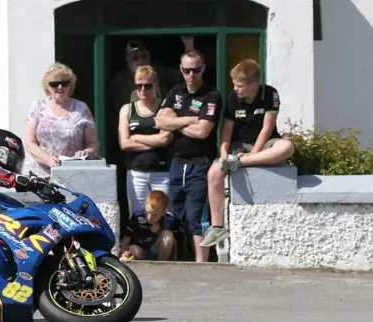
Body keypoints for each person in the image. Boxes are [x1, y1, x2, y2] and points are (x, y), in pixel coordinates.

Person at [201, 59, 295, 248]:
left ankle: (239, 163)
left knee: (287, 147)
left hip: (263, 144)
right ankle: (217, 227)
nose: (235, 88)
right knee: (213, 174)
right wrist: (223, 153)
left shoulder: (270, 94)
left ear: (253, 85)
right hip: (238, 145)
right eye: (234, 84)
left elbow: (266, 129)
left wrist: (249, 158)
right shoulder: (232, 98)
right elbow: (226, 130)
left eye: (239, 85)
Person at [154, 49, 222, 263]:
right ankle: (181, 259)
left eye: (196, 69)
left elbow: (203, 132)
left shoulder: (211, 95)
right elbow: (159, 122)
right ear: (180, 70)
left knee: (197, 216)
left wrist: (176, 121)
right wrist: (189, 120)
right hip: (176, 163)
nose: (191, 74)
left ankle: (201, 264)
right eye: (187, 70)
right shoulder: (175, 91)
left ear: (203, 69)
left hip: (200, 164)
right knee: (177, 212)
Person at [25, 62, 100, 178]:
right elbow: (30, 143)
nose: (60, 87)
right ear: (47, 86)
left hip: (73, 175)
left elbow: (93, 143)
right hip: (41, 176)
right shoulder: (37, 107)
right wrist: (48, 160)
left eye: (65, 83)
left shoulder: (82, 108)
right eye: (54, 84)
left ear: (71, 85)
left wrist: (86, 152)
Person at [118, 65, 172, 214]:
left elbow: (165, 139)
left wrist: (137, 137)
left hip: (162, 172)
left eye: (147, 86)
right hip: (136, 172)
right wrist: (154, 142)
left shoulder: (165, 108)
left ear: (156, 84)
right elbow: (124, 143)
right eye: (138, 86)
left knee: (165, 216)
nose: (142, 90)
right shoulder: (127, 109)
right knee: (138, 217)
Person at [118, 190, 179, 262]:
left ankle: (161, 263)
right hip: (141, 249)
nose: (149, 217)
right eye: (147, 213)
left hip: (158, 250)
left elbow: (174, 243)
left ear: (163, 212)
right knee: (131, 248)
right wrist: (122, 253)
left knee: (167, 235)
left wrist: (159, 231)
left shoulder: (169, 220)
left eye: (154, 215)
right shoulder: (138, 217)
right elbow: (128, 236)